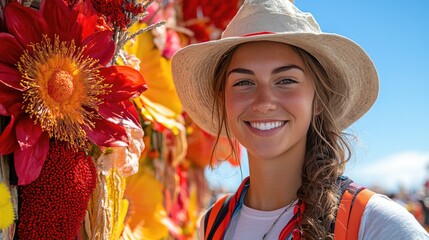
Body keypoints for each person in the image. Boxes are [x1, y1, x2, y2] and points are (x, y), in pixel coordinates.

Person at [172, 0, 429, 239]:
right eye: (243, 82)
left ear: (318, 100)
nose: (264, 101)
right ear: (223, 100)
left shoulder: (375, 223)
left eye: (286, 81)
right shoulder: (214, 222)